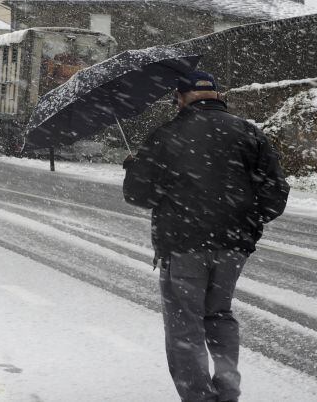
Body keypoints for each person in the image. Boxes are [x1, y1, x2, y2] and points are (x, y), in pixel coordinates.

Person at [122, 70, 289, 402]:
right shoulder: (249, 133)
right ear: (216, 94)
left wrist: (135, 167)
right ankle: (227, 391)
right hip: (233, 246)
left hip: (183, 245)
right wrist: (249, 224)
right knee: (220, 315)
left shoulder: (167, 134)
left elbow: (139, 196)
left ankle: (198, 397)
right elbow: (275, 194)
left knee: (185, 325)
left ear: (180, 98)